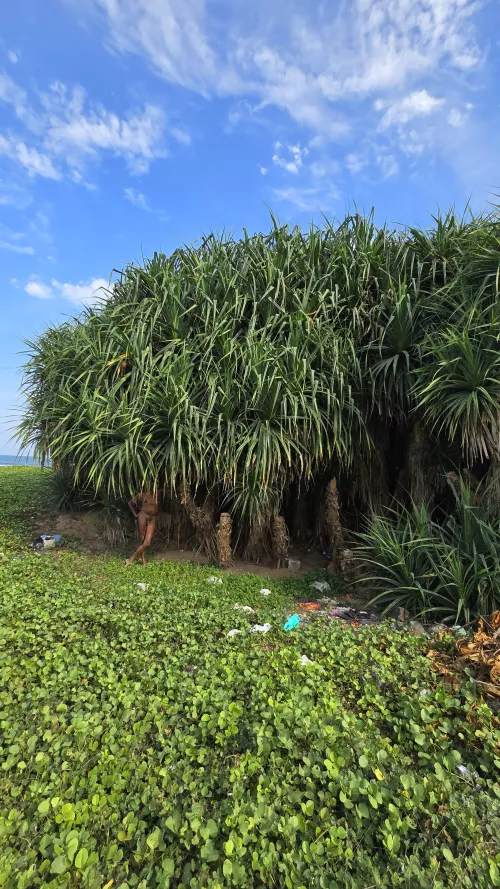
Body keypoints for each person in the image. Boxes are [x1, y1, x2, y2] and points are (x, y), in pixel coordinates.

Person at [125, 489, 162, 566]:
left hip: (153, 518)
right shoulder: (143, 494)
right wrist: (135, 514)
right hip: (143, 515)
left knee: (147, 543)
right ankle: (143, 559)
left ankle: (130, 559)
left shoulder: (159, 493)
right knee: (142, 540)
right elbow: (130, 503)